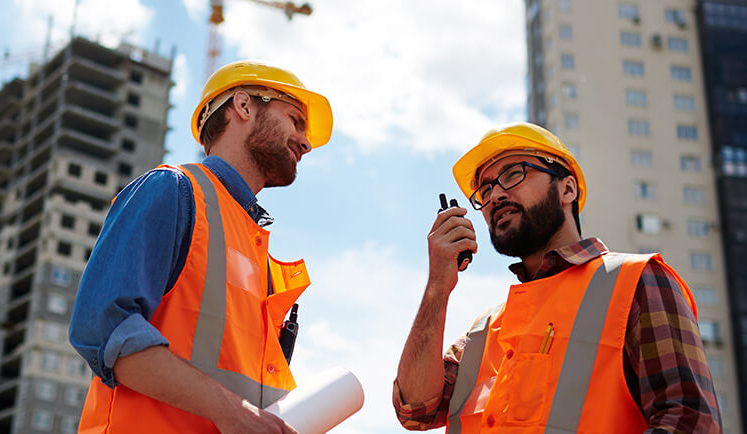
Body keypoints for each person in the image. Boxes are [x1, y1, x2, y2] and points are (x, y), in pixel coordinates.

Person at [393, 122, 722, 433]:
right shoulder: (485, 331)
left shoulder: (636, 282)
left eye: (512, 174)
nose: (494, 196)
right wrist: (437, 286)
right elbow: (415, 410)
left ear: (567, 189)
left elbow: (689, 420)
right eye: (485, 188)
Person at [69, 60, 333, 433]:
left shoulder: (257, 252)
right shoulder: (173, 191)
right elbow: (103, 327)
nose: (305, 142)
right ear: (243, 106)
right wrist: (234, 412)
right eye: (295, 119)